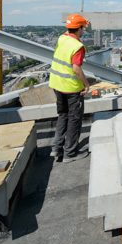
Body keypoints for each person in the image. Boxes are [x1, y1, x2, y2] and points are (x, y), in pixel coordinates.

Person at [49, 14, 90, 163]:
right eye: (83, 27)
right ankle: (70, 153)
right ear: (80, 28)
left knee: (63, 115)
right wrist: (86, 84)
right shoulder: (78, 46)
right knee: (74, 119)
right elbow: (76, 69)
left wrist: (82, 23)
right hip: (72, 89)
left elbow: (70, 31)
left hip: (57, 84)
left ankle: (56, 148)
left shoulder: (61, 38)